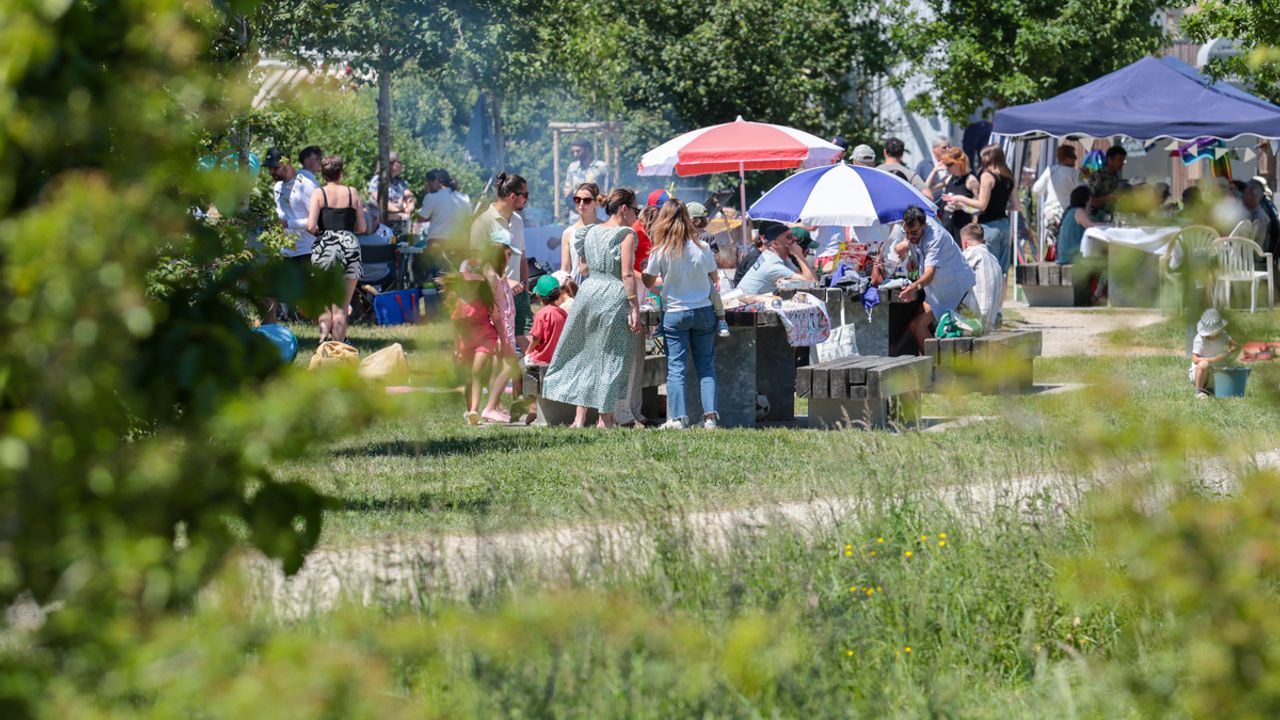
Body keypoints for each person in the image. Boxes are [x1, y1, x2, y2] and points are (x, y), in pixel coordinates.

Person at [542, 188, 644, 429]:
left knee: (587, 354)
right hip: (612, 293)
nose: (636, 216)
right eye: (636, 210)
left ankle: (580, 420)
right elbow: (627, 273)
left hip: (589, 292)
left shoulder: (588, 232)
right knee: (611, 356)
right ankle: (604, 419)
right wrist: (635, 307)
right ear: (624, 209)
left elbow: (584, 268)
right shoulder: (625, 234)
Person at [642, 199, 721, 430]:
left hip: (675, 312)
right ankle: (710, 418)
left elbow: (648, 280)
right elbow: (714, 278)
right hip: (703, 310)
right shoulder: (703, 247)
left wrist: (657, 277)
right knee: (706, 366)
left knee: (676, 367)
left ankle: (677, 419)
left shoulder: (661, 249)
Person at [892, 206, 977, 354]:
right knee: (916, 320)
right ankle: (922, 358)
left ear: (924, 225)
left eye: (914, 233)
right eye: (907, 232)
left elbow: (930, 273)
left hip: (954, 288)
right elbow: (914, 243)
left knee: (917, 325)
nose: (910, 236)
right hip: (938, 288)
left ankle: (936, 367)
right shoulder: (916, 228)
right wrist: (913, 256)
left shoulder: (934, 238)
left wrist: (915, 287)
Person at [452, 234, 518, 425]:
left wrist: (502, 339)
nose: (509, 257)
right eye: (507, 253)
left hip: (491, 332)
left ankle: (482, 409)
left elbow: (496, 314)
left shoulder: (489, 286)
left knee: (482, 370)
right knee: (475, 376)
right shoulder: (461, 300)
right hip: (478, 335)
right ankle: (480, 408)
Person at [305, 155, 366, 344]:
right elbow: (363, 227)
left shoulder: (318, 193)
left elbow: (310, 226)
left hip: (326, 246)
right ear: (341, 173)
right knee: (341, 308)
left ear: (323, 174)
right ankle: (339, 350)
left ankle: (323, 343)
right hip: (350, 245)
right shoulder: (352, 193)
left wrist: (320, 231)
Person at [471, 172, 532, 351]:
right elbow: (478, 262)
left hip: (519, 295)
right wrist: (505, 281)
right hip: (495, 299)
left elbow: (521, 256)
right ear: (513, 196)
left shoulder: (518, 220)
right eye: (525, 195)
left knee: (530, 348)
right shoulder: (483, 222)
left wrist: (526, 289)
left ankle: (533, 378)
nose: (527, 200)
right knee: (501, 348)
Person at [945, 143, 1019, 273]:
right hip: (1005, 225)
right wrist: (999, 205)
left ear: (988, 158)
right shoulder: (1009, 176)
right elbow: (1016, 206)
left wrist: (959, 198)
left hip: (989, 226)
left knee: (989, 269)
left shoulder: (987, 176)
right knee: (1002, 271)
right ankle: (1001, 294)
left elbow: (982, 204)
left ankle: (989, 294)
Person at [735, 222, 818, 295]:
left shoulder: (775, 256)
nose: (795, 239)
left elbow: (805, 279)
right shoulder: (772, 265)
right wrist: (799, 254)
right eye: (788, 237)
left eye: (792, 235)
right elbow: (812, 283)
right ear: (775, 244)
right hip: (743, 308)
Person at [1031, 145, 1080, 249]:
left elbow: (1036, 188)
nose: (1075, 159)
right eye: (1073, 157)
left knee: (1052, 247)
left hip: (1050, 213)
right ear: (1066, 158)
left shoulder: (1050, 170)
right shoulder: (1074, 173)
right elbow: (1082, 192)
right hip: (1067, 213)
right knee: (1066, 245)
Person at [959, 224, 1002, 330]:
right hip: (990, 321)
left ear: (964, 242)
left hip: (975, 320)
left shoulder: (971, 253)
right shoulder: (994, 259)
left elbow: (951, 275)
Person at [934, 146, 980, 241]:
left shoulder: (971, 180)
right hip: (946, 225)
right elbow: (927, 189)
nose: (946, 167)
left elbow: (980, 207)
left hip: (962, 228)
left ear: (958, 164)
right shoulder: (949, 178)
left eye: (949, 164)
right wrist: (934, 171)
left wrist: (962, 206)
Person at [1189, 308, 1237, 399]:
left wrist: (1229, 352)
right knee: (1204, 364)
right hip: (1200, 372)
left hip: (1217, 369)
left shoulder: (1223, 335)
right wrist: (1215, 359)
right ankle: (1199, 391)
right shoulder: (1199, 339)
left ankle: (1213, 389)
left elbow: (1235, 345)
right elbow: (1195, 359)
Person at [560, 182, 601, 282]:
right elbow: (565, 269)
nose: (581, 204)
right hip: (576, 290)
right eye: (577, 199)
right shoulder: (568, 233)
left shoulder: (605, 229)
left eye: (586, 200)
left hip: (599, 289)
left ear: (596, 202)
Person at [367, 151, 415, 235]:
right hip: (382, 225)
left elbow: (410, 196)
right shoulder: (378, 180)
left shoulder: (399, 181)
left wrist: (408, 208)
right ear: (390, 164)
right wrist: (400, 209)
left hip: (400, 223)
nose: (401, 165)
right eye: (399, 162)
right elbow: (381, 201)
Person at [562, 139, 608, 221]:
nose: (575, 154)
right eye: (573, 152)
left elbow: (607, 190)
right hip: (577, 214)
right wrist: (574, 208)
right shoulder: (572, 167)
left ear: (587, 149)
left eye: (578, 151)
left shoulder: (601, 167)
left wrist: (596, 206)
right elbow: (567, 190)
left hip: (597, 213)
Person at [1055, 185, 1095, 266]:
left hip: (1064, 255)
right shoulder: (1079, 212)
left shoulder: (1071, 211)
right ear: (1086, 200)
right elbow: (1092, 228)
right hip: (1070, 257)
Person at [1089, 145, 1127, 219]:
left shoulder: (1115, 176)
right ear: (1110, 159)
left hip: (1112, 217)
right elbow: (1089, 201)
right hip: (1098, 218)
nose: (1122, 163)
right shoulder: (1099, 176)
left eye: (1123, 161)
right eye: (1119, 160)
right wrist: (1108, 198)